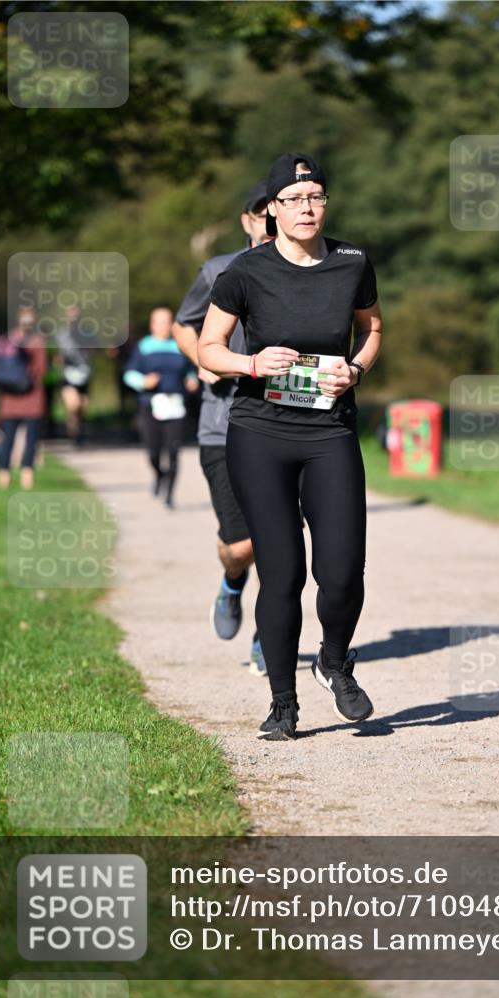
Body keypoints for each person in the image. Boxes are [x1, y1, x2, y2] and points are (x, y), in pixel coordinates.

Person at [198, 152, 383, 740]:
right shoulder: (245, 272)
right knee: (282, 575)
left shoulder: (353, 262)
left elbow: (373, 328)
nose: (308, 208)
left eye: (317, 198)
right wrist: (250, 363)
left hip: (330, 432)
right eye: (295, 199)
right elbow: (208, 348)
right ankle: (283, 703)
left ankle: (334, 659)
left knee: (344, 570)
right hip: (260, 433)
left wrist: (354, 369)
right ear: (272, 210)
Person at [173, 181, 272, 676]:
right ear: (247, 219)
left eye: (279, 207)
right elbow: (182, 323)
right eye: (261, 211)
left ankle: (269, 636)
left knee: (280, 542)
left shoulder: (314, 271)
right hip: (223, 423)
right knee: (242, 546)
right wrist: (203, 361)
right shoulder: (218, 270)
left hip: (287, 423)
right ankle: (232, 584)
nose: (270, 219)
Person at [124, 307, 198, 509]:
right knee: (153, 451)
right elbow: (129, 373)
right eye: (160, 322)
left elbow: (190, 371)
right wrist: (143, 381)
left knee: (173, 450)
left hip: (175, 403)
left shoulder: (179, 346)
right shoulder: (144, 347)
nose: (164, 326)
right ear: (152, 325)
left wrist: (192, 380)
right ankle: (159, 474)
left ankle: (170, 495)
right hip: (150, 404)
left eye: (168, 322)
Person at [0, 306, 47, 489]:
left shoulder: (8, 340)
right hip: (32, 398)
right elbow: (41, 370)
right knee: (31, 439)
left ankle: (3, 474)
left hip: (9, 399)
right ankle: (27, 474)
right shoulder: (38, 341)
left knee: (8, 438)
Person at [57, 304, 92, 446]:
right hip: (68, 373)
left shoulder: (88, 333)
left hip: (84, 373)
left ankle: (77, 430)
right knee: (74, 404)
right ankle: (72, 427)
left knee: (82, 406)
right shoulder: (61, 334)